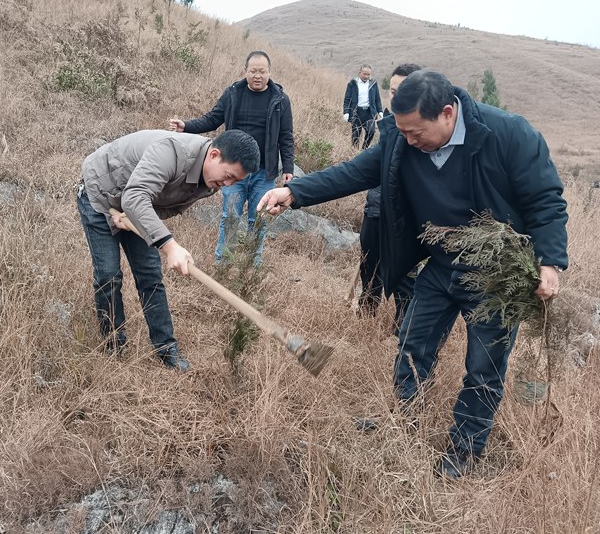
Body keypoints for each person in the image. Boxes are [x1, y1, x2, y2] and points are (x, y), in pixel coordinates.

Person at [258, 71, 568, 478]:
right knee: (411, 343)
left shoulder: (507, 134)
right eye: (402, 132)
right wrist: (295, 192)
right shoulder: (400, 142)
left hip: (495, 277)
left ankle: (465, 450)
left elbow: (545, 200)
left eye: (415, 132)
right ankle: (404, 420)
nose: (408, 140)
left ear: (446, 113)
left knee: (483, 367)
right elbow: (352, 173)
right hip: (440, 266)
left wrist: (549, 261)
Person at [77, 129, 260, 372]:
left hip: (133, 205)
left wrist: (134, 219)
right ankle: (114, 346)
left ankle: (166, 349)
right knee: (109, 276)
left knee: (150, 276)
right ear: (214, 154)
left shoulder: (209, 181)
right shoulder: (172, 152)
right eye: (228, 176)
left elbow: (168, 207)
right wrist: (170, 245)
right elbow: (134, 197)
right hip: (100, 193)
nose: (227, 185)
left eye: (234, 182)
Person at [169, 51, 294, 265]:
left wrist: (288, 168)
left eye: (262, 71)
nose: (257, 76)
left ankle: (251, 267)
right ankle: (223, 264)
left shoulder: (280, 100)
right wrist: (186, 126)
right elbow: (213, 118)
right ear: (245, 71)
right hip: (233, 172)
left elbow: (286, 136)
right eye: (253, 71)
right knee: (230, 217)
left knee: (259, 220)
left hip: (264, 173)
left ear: (269, 73)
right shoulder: (233, 93)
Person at [357, 64, 422, 333]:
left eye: (402, 91)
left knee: (405, 278)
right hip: (376, 210)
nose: (395, 97)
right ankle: (365, 316)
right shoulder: (390, 128)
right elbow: (358, 171)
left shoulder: (423, 135)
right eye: (392, 91)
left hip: (406, 222)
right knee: (369, 267)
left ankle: (401, 331)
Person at [343, 64, 383, 149]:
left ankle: (364, 150)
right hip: (356, 112)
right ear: (359, 72)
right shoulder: (352, 83)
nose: (366, 76)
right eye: (364, 74)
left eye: (368, 74)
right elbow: (347, 99)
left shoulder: (373, 84)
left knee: (371, 131)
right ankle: (355, 153)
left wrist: (380, 111)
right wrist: (346, 112)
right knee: (356, 135)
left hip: (369, 112)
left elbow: (377, 99)